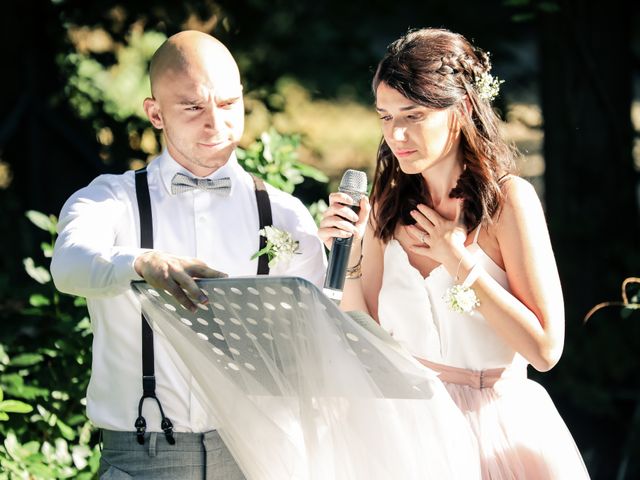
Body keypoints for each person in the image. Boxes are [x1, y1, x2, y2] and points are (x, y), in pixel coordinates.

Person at [51, 30, 326, 479]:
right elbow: (68, 265)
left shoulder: (284, 213)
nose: (215, 124)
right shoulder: (111, 199)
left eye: (228, 104)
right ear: (155, 113)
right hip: (143, 458)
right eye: (194, 107)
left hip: (255, 456)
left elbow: (313, 339)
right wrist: (140, 263)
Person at [319, 28, 590, 479]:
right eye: (385, 117)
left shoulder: (508, 203)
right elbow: (365, 338)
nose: (396, 134)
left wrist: (459, 263)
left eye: (414, 114)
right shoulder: (387, 207)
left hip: (493, 433)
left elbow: (545, 350)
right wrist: (348, 255)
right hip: (405, 436)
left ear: (462, 108)